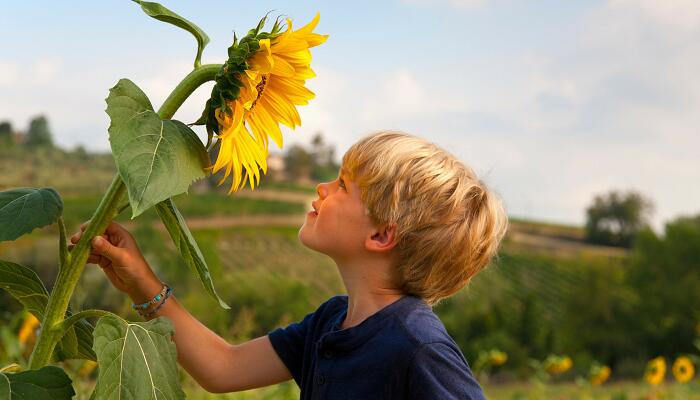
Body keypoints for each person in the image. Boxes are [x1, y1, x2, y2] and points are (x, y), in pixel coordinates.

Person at [70, 131, 508, 399]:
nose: (321, 187)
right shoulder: (331, 322)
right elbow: (223, 368)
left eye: (342, 185)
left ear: (380, 236)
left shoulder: (418, 347)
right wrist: (139, 281)